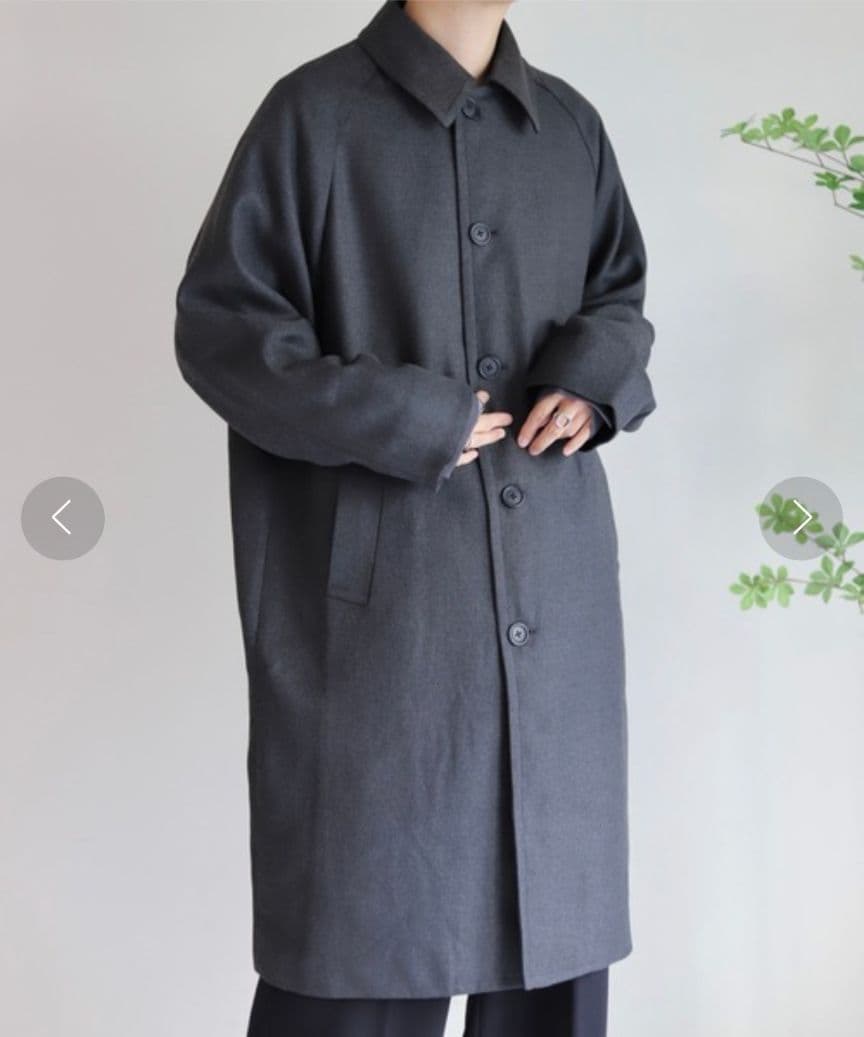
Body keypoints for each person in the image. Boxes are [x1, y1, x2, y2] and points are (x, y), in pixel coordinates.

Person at [174, 0, 657, 1034]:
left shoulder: (568, 126)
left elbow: (618, 292)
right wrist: (409, 415)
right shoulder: (313, 115)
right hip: (388, 616)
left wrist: (595, 377)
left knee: (553, 947)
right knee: (366, 942)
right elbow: (225, 333)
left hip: (555, 591)